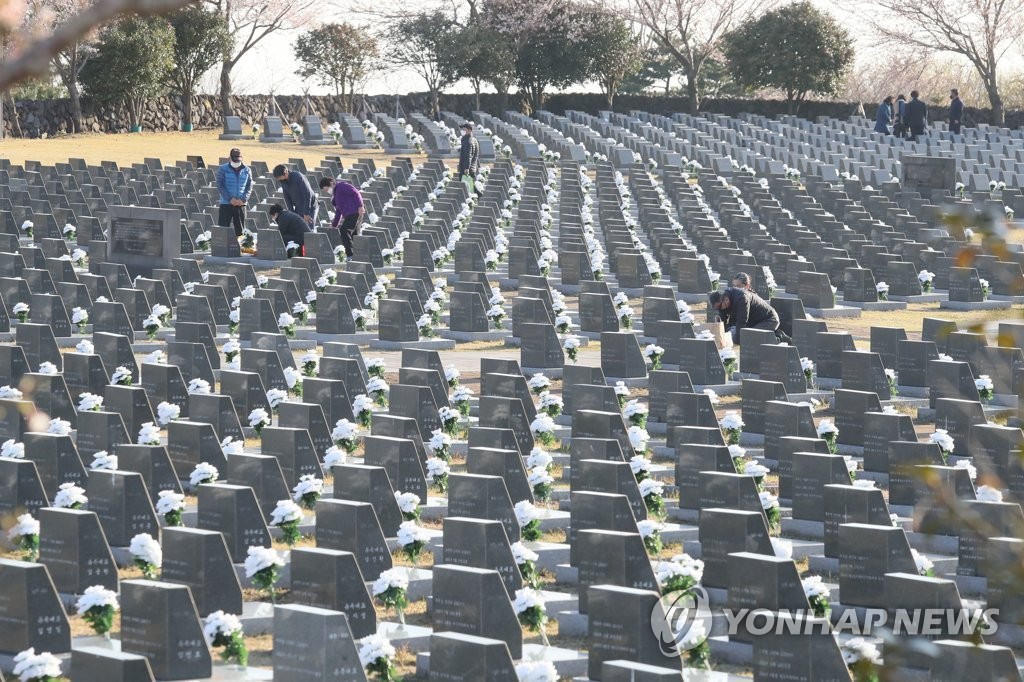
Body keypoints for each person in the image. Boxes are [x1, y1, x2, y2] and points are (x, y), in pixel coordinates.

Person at [709, 287, 790, 345]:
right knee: (734, 332)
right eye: (717, 308)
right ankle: (773, 333)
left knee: (750, 337)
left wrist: (736, 341)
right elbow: (725, 323)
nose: (720, 309)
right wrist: (720, 326)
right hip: (754, 321)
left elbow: (742, 322)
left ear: (725, 299)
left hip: (769, 319)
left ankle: (779, 337)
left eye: (719, 307)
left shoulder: (742, 298)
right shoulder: (725, 301)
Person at [319, 176, 365, 258]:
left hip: (355, 212)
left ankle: (350, 255)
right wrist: (334, 225)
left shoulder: (341, 186)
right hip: (350, 215)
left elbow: (355, 192)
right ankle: (359, 256)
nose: (327, 192)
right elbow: (338, 211)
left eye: (327, 189)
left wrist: (360, 206)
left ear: (331, 183)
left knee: (344, 231)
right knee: (355, 235)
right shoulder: (335, 195)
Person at [215, 148, 252, 237]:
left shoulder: (247, 170)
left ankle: (239, 248)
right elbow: (220, 185)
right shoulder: (223, 169)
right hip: (226, 203)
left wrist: (243, 199)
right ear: (230, 158)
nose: (236, 163)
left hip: (241, 204)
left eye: (238, 160)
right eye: (235, 160)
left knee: (240, 231)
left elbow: (249, 186)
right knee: (223, 229)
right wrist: (230, 198)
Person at [457, 121, 480, 192]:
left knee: (467, 189)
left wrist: (466, 168)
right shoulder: (472, 139)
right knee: (470, 188)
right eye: (462, 129)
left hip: (467, 169)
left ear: (469, 130)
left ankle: (480, 198)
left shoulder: (468, 141)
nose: (462, 131)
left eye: (464, 129)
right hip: (471, 168)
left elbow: (468, 155)